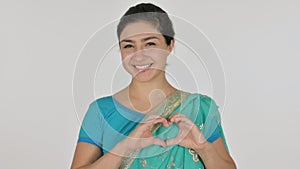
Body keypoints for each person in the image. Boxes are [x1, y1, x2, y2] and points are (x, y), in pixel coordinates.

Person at [71, 3, 236, 169]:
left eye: (150, 44)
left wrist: (203, 148)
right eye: (128, 46)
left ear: (169, 45)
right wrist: (125, 146)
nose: (139, 55)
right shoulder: (101, 111)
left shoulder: (200, 108)